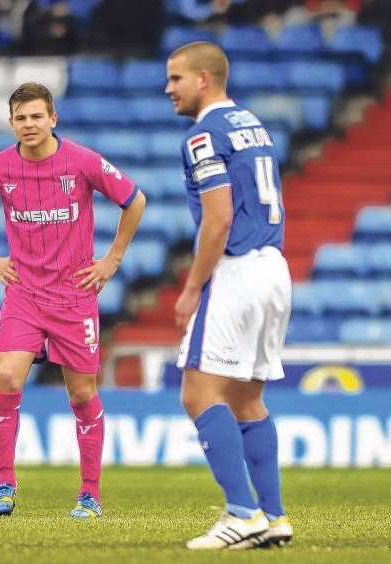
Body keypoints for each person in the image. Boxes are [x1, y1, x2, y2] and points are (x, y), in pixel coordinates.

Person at [0, 82, 146, 519]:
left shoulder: (81, 161)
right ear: (11, 124)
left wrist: (112, 260)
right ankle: (4, 484)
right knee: (7, 376)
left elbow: (135, 201)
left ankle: (90, 493)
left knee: (81, 393)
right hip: (23, 294)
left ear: (53, 119)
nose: (29, 124)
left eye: (36, 116)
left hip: (74, 297)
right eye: (21, 118)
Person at [165, 41, 293, 550]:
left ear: (203, 79)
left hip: (236, 270)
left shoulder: (203, 136)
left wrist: (192, 286)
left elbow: (218, 218)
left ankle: (241, 512)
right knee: (247, 399)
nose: (168, 88)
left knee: (199, 393)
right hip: (274, 268)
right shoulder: (253, 125)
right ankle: (275, 516)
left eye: (176, 78)